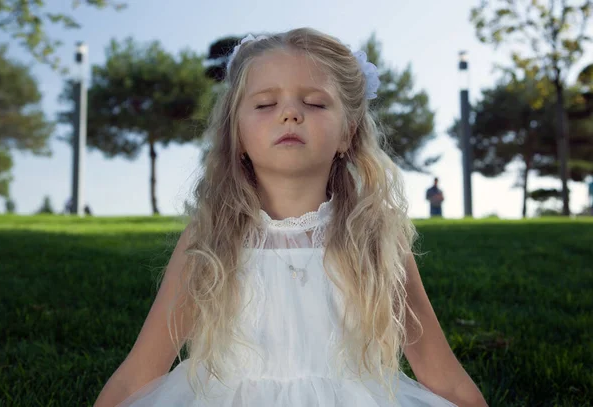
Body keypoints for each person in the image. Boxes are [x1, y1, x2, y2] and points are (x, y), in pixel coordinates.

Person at [94, 28, 487, 407]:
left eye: (314, 103)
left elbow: (442, 374)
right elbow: (139, 373)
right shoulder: (209, 238)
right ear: (238, 135)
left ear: (348, 133)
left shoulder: (375, 235)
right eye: (265, 104)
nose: (290, 114)